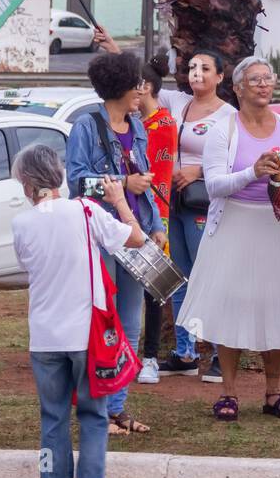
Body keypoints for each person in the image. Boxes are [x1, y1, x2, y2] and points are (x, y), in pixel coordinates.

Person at [92, 27, 235, 384]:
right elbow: (143, 83)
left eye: (205, 69)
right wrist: (112, 47)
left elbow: (235, 153)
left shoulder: (228, 114)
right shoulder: (179, 103)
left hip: (206, 200)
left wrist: (197, 168)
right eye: (193, 69)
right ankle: (185, 352)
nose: (197, 74)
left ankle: (218, 352)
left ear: (220, 76)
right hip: (173, 204)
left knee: (209, 275)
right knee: (180, 278)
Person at [11, 144, 146, 478]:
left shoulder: (21, 224)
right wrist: (120, 200)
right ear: (58, 175)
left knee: (52, 418)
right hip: (86, 334)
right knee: (93, 414)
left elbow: (26, 263)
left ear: (26, 183)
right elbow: (136, 239)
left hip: (44, 336)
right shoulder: (86, 211)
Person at [177, 56, 280, 421]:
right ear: (237, 88)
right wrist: (253, 172)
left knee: (274, 303)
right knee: (231, 304)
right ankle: (229, 392)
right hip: (234, 223)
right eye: (254, 80)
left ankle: (274, 391)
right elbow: (215, 184)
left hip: (273, 226)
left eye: (268, 78)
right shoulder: (225, 130)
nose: (263, 85)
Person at [66, 52, 166, 434]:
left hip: (135, 231)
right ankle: (98, 409)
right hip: (101, 233)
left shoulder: (136, 125)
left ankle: (118, 408)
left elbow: (146, 179)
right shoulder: (86, 126)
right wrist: (122, 185)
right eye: (137, 84)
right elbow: (76, 183)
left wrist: (155, 222)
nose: (143, 90)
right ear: (121, 87)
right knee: (102, 320)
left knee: (130, 321)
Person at [135, 55, 177, 385]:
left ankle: (149, 357)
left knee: (153, 291)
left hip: (153, 215)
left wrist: (157, 223)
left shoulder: (162, 126)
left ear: (145, 87)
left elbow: (157, 175)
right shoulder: (135, 122)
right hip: (127, 212)